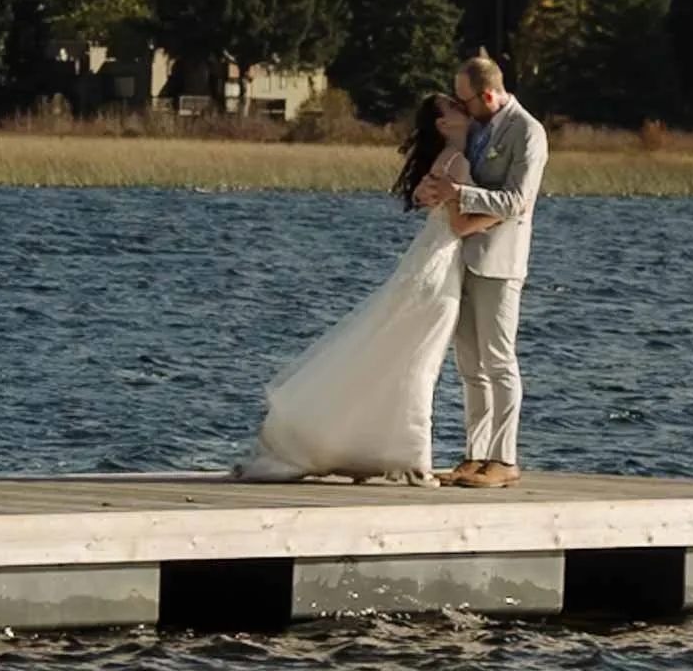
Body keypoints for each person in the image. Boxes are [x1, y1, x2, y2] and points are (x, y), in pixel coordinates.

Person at [232, 94, 499, 484]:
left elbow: (436, 206)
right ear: (445, 124)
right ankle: (411, 456)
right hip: (438, 269)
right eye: (456, 108)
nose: (464, 109)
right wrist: (503, 212)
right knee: (420, 360)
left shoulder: (447, 158)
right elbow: (459, 224)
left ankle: (387, 447)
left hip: (429, 261)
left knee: (407, 355)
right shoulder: (456, 161)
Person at [417, 57, 549, 488]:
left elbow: (517, 201)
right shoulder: (476, 127)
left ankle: (504, 458)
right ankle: (475, 455)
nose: (460, 105)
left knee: (498, 359)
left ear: (488, 94)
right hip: (462, 256)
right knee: (469, 364)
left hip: (499, 261)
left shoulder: (527, 132)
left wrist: (461, 193)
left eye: (464, 98)